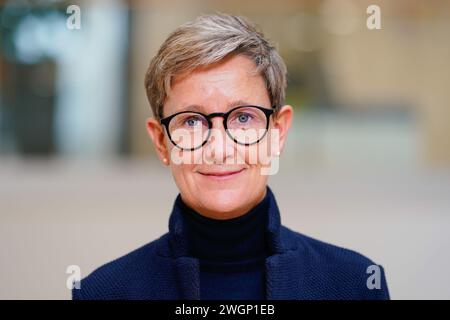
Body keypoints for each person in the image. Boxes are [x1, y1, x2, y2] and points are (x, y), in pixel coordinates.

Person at [72, 13, 389, 300]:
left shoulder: (354, 285)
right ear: (160, 141)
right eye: (192, 122)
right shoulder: (103, 294)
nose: (220, 149)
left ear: (277, 132)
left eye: (243, 118)